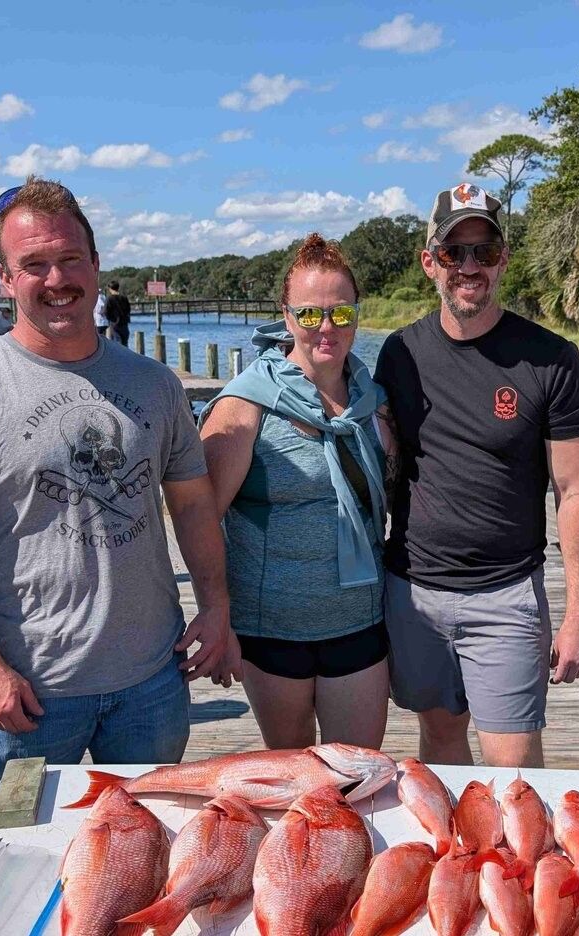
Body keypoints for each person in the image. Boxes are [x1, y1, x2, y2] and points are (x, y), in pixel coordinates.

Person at [0, 175, 239, 795]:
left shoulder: (154, 384)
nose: (57, 280)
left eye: (69, 259)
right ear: (6, 280)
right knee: (20, 848)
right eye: (34, 265)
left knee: (150, 848)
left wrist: (217, 608)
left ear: (95, 264)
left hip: (152, 685)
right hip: (27, 695)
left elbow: (192, 506)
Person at [373, 184, 579, 768]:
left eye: (485, 251)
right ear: (430, 263)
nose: (469, 267)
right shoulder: (398, 353)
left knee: (516, 772)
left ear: (504, 259)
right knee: (442, 747)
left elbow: (576, 490)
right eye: (454, 253)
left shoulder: (552, 359)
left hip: (506, 596)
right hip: (414, 592)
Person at [199, 234, 393, 750]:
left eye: (340, 313)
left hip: (360, 622)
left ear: (357, 314)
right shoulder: (245, 405)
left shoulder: (373, 403)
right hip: (273, 631)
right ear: (286, 319)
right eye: (309, 315)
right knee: (296, 786)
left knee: (358, 777)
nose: (325, 328)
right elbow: (199, 519)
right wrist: (215, 614)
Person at [105, 280, 132, 346]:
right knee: (125, 343)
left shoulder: (109, 299)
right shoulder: (124, 298)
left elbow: (106, 312)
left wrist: (112, 319)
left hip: (114, 324)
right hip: (124, 323)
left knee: (117, 344)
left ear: (110, 288)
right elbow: (128, 309)